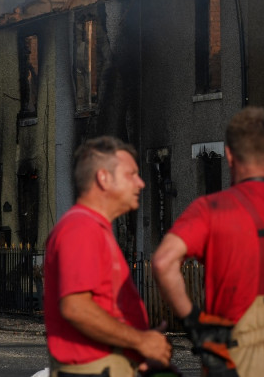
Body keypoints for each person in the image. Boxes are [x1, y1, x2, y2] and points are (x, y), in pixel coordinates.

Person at [152, 107, 264, 377]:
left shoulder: (211, 209)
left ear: (229, 155)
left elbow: (162, 262)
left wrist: (194, 322)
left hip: (232, 354)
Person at [44, 136, 172, 377]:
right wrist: (140, 341)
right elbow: (76, 308)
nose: (141, 183)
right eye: (131, 174)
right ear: (103, 178)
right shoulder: (81, 228)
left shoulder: (93, 228)